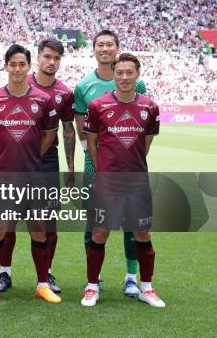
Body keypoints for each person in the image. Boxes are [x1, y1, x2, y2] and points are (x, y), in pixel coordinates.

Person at [0, 44, 61, 304]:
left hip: (34, 177)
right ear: (5, 66)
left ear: (28, 66)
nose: (16, 69)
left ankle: (42, 284)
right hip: (3, 177)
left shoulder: (43, 100)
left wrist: (34, 156)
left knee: (38, 231)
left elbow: (49, 134)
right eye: (12, 64)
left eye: (21, 64)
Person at [82, 53, 164, 308]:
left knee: (142, 232)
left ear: (137, 74)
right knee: (99, 233)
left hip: (137, 181)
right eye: (120, 72)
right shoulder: (97, 106)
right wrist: (104, 170)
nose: (124, 77)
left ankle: (146, 288)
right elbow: (92, 144)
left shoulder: (150, 107)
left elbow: (145, 144)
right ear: (114, 74)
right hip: (108, 183)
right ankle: (92, 286)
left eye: (129, 72)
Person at [0, 38, 75, 294]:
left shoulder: (64, 93)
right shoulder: (19, 83)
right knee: (8, 220)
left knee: (47, 222)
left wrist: (71, 167)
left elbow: (67, 131)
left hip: (46, 164)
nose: (51, 62)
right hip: (17, 164)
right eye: (47, 57)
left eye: (56, 58)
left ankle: (46, 274)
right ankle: (3, 273)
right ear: (37, 59)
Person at [74, 30, 147, 297]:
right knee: (93, 224)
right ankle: (94, 279)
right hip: (95, 166)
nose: (105, 49)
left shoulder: (136, 84)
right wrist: (97, 162)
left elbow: (141, 129)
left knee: (132, 223)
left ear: (117, 48)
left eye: (109, 45)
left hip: (127, 168)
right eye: (100, 45)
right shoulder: (84, 86)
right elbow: (83, 132)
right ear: (93, 49)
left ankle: (131, 277)